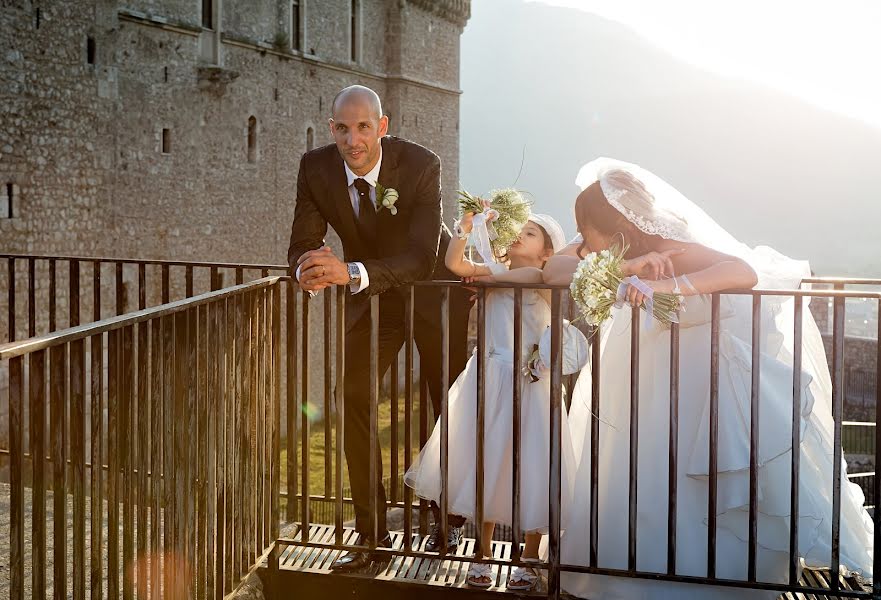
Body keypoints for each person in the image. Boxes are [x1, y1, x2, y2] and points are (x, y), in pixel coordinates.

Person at [544, 158, 874, 599]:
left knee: (680, 471)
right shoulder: (620, 254)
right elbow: (556, 270)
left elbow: (744, 272)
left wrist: (668, 286)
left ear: (617, 222)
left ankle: (700, 581)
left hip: (691, 375)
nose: (586, 241)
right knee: (635, 464)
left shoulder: (675, 245)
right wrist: (630, 265)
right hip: (642, 368)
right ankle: (627, 571)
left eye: (588, 229)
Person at [287, 85, 470, 572]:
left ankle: (447, 524)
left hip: (435, 291)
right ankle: (371, 536)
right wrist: (309, 270)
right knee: (352, 396)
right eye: (343, 129)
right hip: (375, 300)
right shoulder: (315, 168)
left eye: (364, 127)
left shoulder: (421, 164)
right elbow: (301, 242)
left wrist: (349, 272)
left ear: (382, 127)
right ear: (332, 130)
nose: (354, 140)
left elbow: (419, 256)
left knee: (445, 401)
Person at [405, 211, 577, 591]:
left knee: (534, 466)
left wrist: (484, 278)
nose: (519, 234)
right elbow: (453, 263)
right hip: (489, 378)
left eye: (530, 233)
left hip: (531, 382)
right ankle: (480, 555)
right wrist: (465, 230)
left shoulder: (538, 278)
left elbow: (522, 277)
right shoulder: (496, 271)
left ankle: (530, 557)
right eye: (518, 229)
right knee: (485, 462)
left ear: (546, 252)